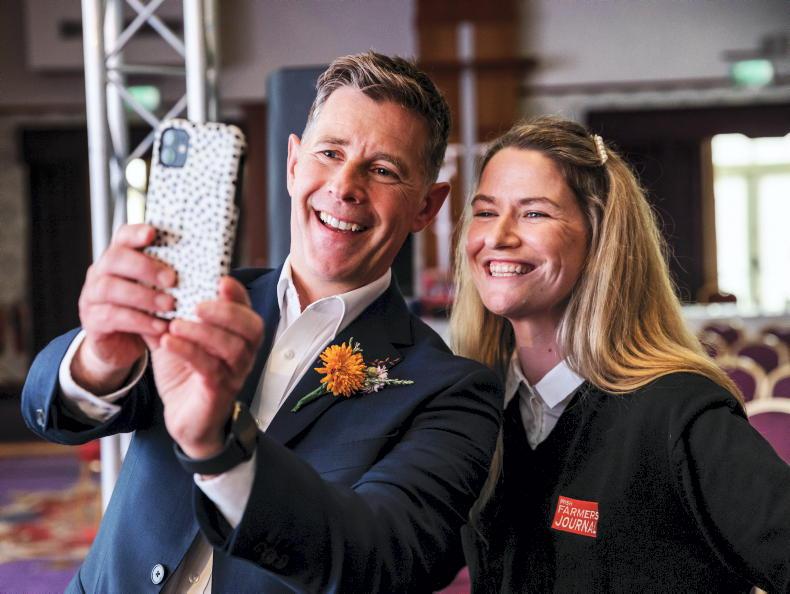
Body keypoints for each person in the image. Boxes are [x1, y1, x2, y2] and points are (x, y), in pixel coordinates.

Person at [22, 52, 502, 593]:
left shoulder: (452, 392)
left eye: (383, 170)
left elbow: (382, 560)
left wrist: (220, 449)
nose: (345, 185)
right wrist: (99, 359)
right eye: (330, 153)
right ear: (293, 164)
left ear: (427, 208)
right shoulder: (196, 300)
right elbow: (51, 414)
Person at [450, 116, 790, 592]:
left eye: (534, 214)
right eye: (485, 212)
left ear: (600, 237)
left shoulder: (680, 412)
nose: (498, 236)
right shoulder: (476, 410)